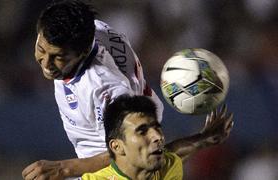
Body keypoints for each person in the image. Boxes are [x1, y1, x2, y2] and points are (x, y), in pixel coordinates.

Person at [22, 0, 233, 179]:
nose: (46, 63)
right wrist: (202, 139)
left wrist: (63, 168)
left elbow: (134, 157)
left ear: (84, 51)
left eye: (58, 57)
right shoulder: (93, 29)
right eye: (41, 48)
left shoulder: (105, 88)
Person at [82, 95, 234, 179]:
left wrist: (204, 138)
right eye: (141, 131)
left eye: (156, 127)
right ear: (117, 146)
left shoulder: (166, 169)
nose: (157, 136)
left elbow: (174, 152)